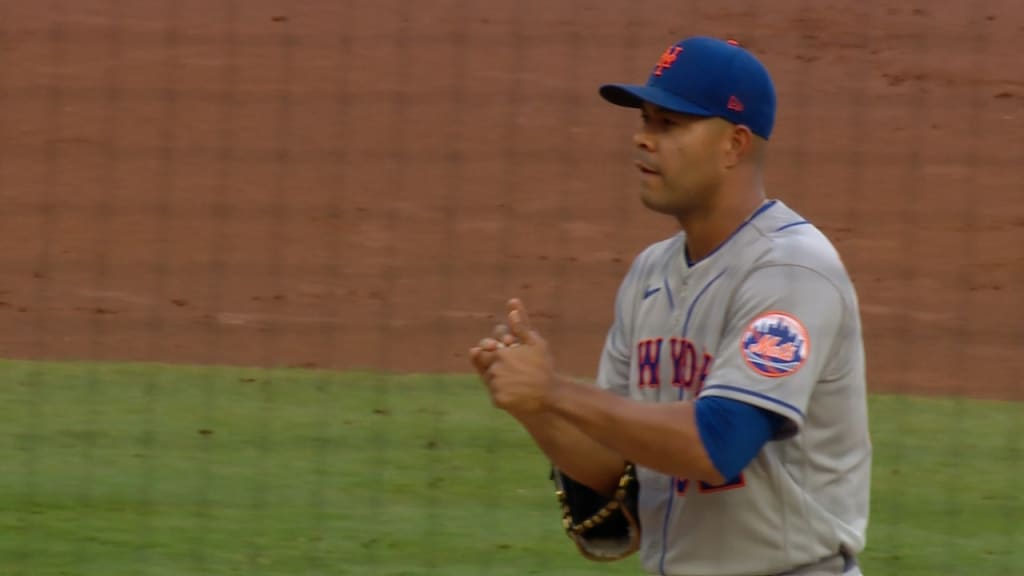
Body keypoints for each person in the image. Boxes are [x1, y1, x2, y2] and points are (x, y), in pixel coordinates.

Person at [469, 36, 871, 576]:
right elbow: (615, 468)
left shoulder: (791, 270)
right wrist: (538, 409)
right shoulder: (649, 275)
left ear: (734, 145)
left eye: (670, 124)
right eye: (645, 120)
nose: (643, 138)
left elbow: (719, 443)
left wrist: (557, 391)